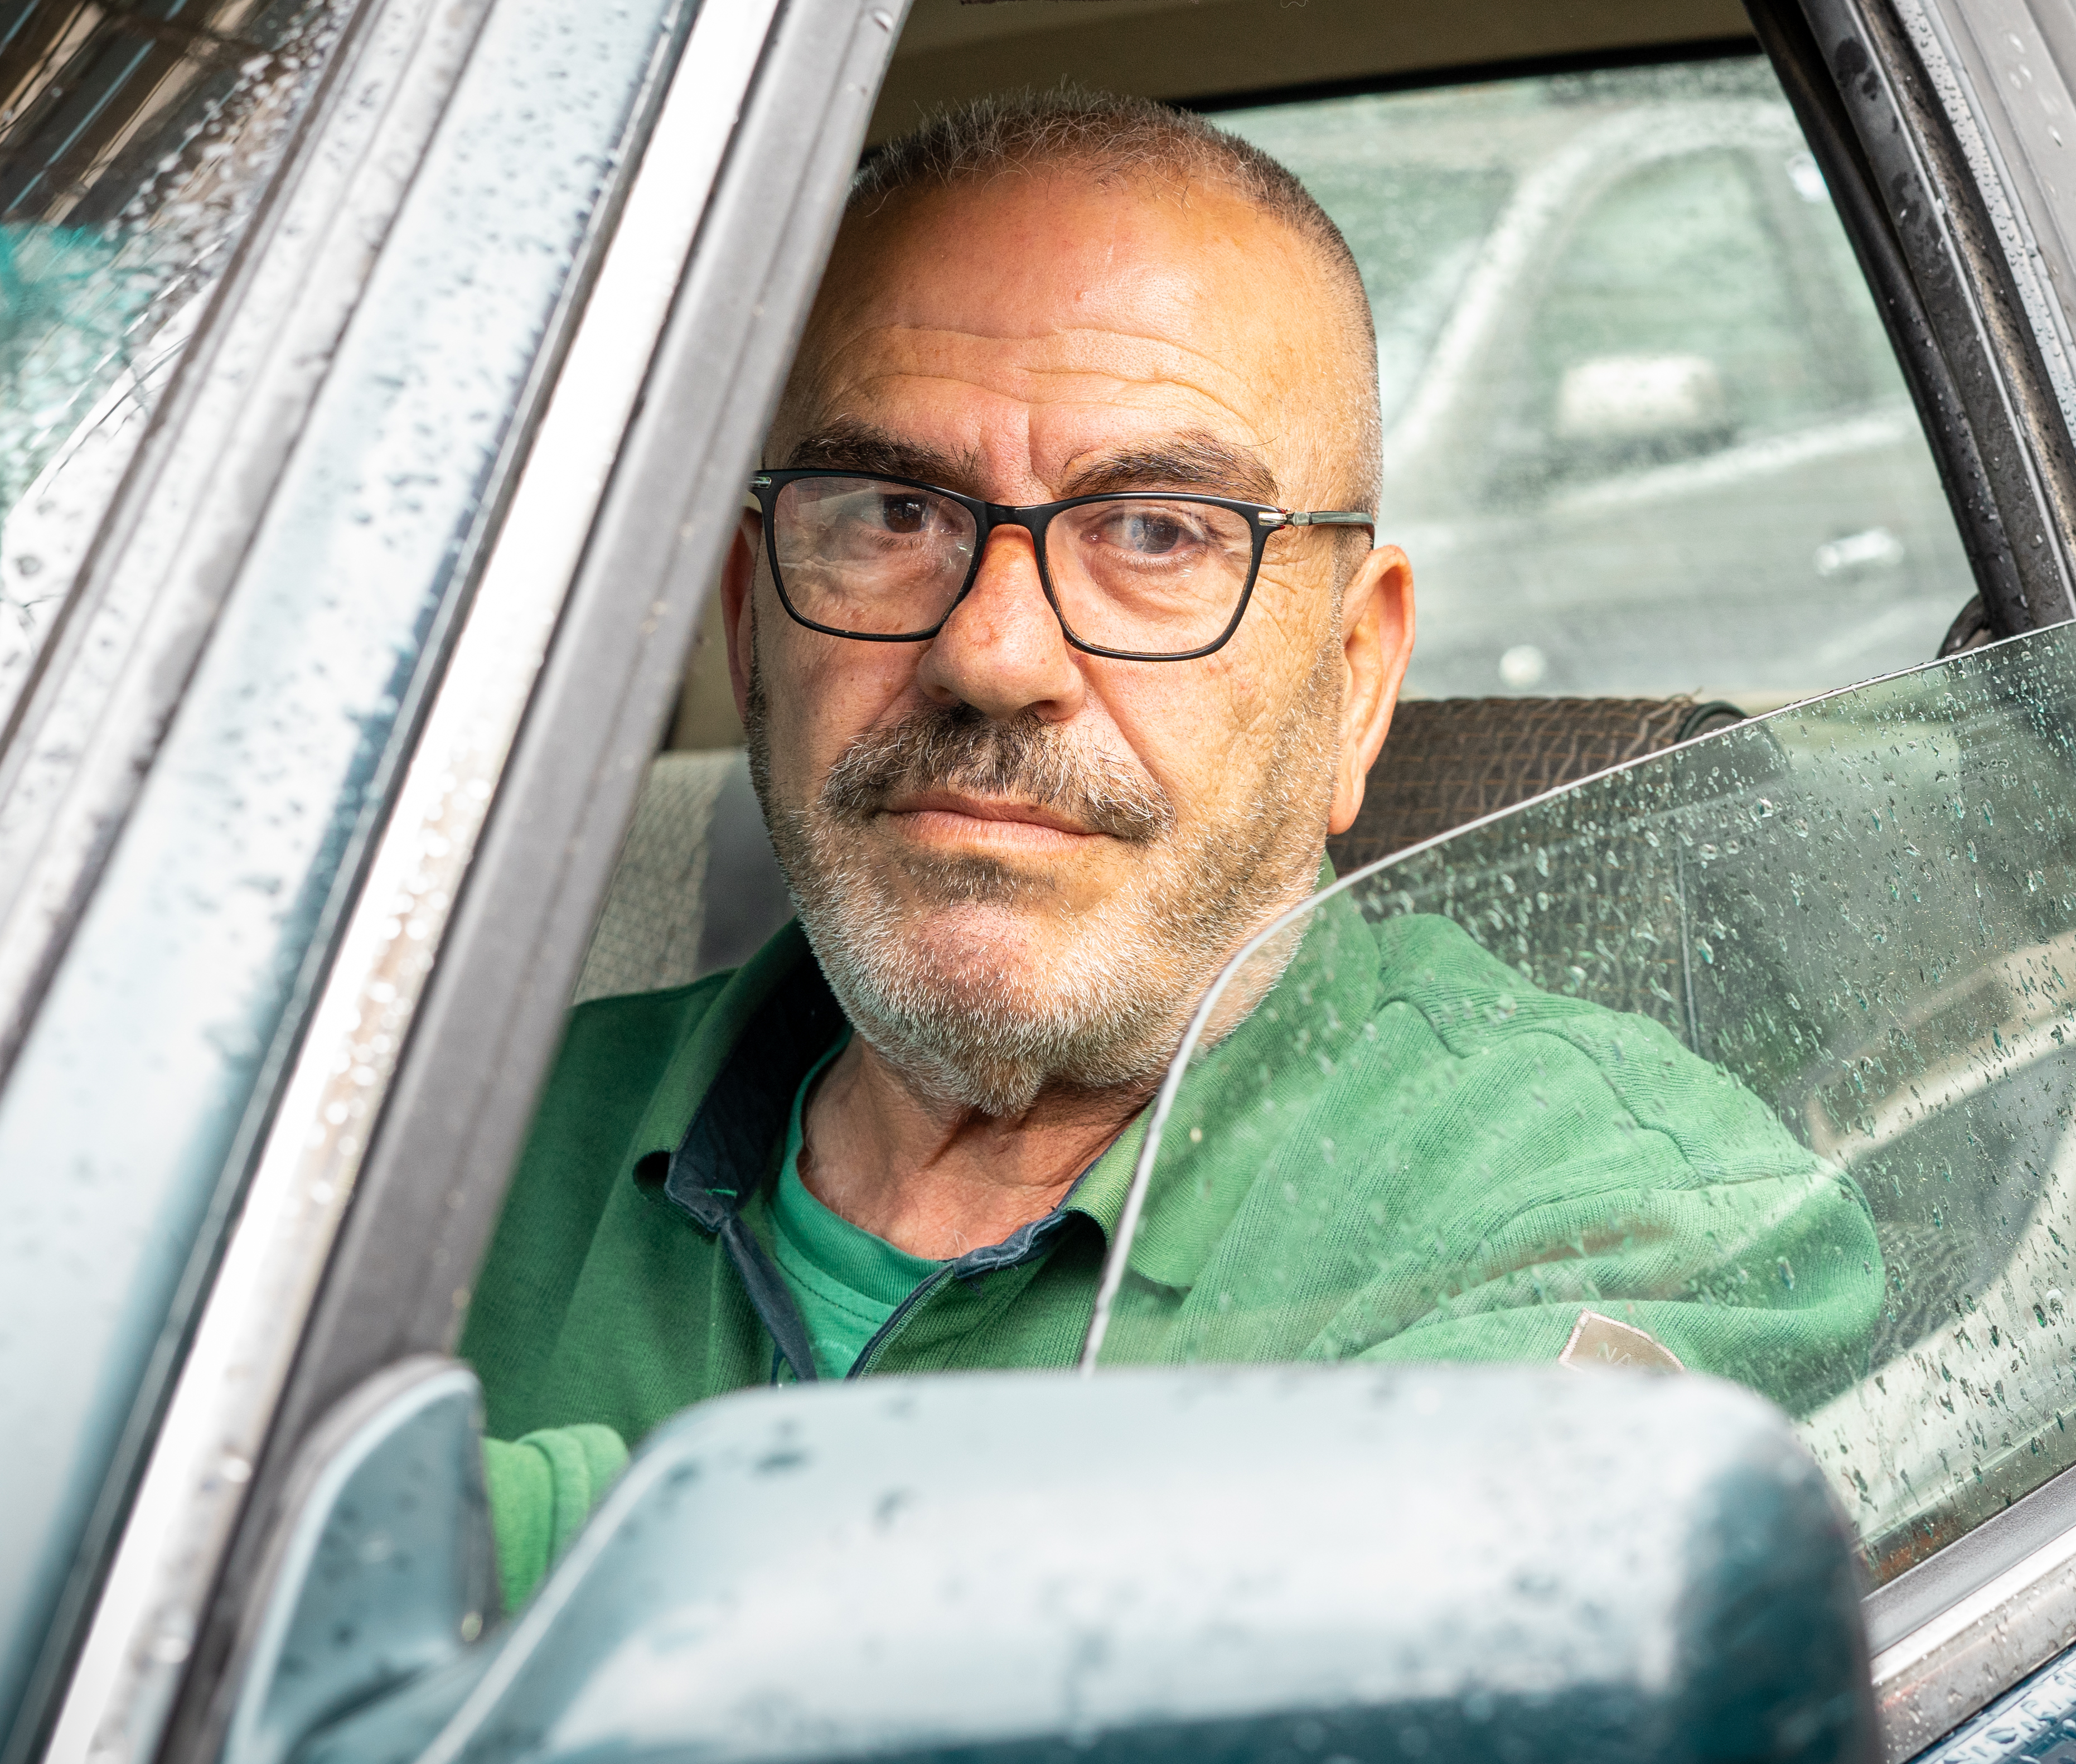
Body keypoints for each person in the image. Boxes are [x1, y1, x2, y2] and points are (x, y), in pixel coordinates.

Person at [459, 91, 1881, 1606]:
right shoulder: (430, 1164)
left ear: (1354, 678)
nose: (992, 653)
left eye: (1156, 534)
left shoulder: (1631, 1212)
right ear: (752, 622)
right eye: (890, 513)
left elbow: (1380, 1640)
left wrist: (416, 1556)